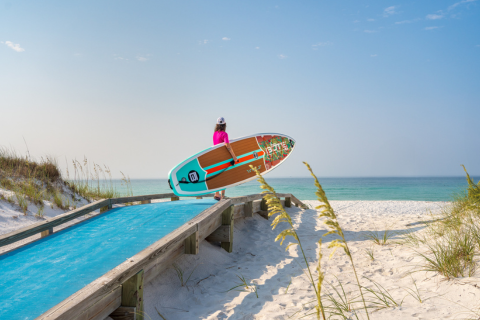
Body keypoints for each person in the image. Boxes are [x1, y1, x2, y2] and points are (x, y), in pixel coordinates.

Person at [213, 117, 238, 200]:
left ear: (217, 125)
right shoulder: (224, 134)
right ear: (224, 125)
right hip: (222, 158)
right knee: (224, 176)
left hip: (216, 157)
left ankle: (217, 194)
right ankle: (222, 196)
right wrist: (234, 157)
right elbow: (227, 145)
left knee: (218, 176)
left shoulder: (215, 134)